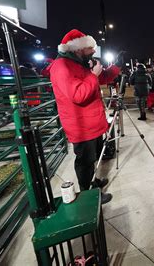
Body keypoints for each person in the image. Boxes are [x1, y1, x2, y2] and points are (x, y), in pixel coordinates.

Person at [49, 29, 119, 205]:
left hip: (91, 123)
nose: (94, 51)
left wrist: (114, 68)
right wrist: (93, 75)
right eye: (90, 48)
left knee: (92, 159)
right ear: (77, 48)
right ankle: (88, 195)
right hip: (81, 126)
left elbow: (99, 80)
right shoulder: (62, 66)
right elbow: (78, 95)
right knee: (85, 162)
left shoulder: (79, 63)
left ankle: (93, 183)